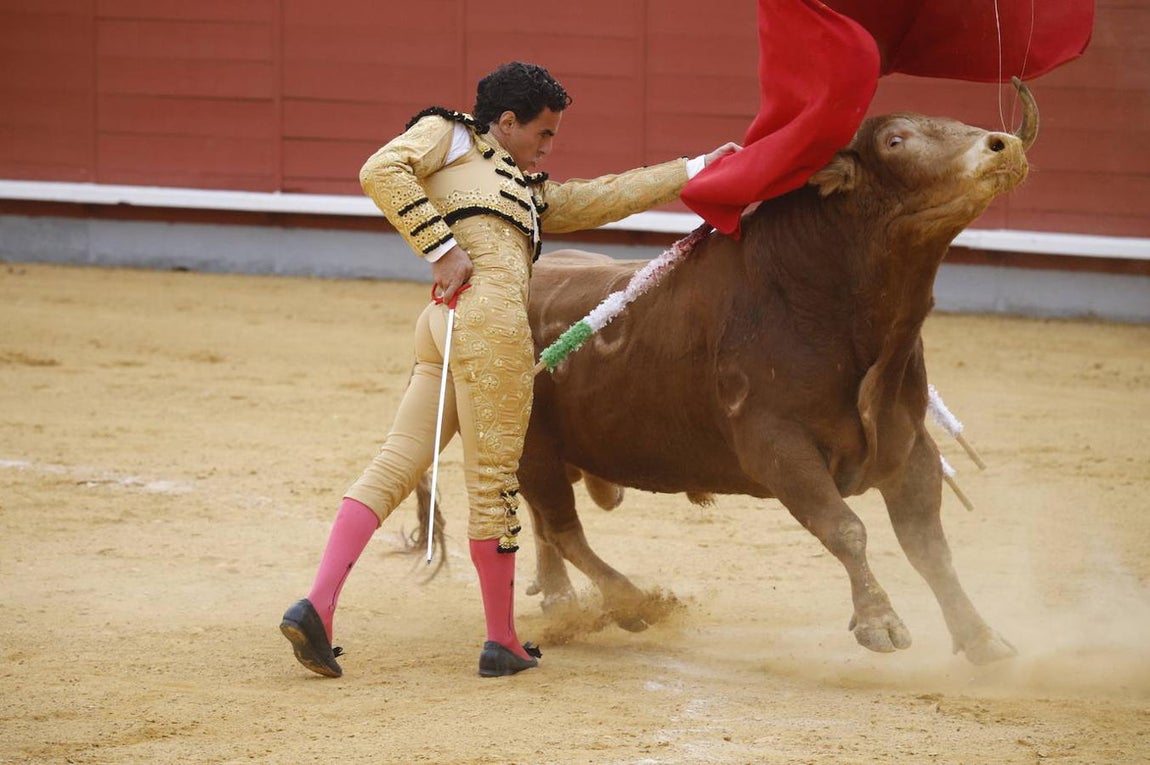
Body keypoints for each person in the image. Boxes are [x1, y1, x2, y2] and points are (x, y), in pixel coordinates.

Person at [280, 61, 740, 678]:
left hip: (445, 324)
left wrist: (696, 168)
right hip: (488, 324)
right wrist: (441, 250)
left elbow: (602, 196)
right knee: (494, 483)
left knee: (396, 463)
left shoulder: (525, 191)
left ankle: (317, 606)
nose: (549, 146)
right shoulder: (448, 135)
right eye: (543, 134)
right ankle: (502, 641)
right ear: (505, 121)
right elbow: (379, 170)